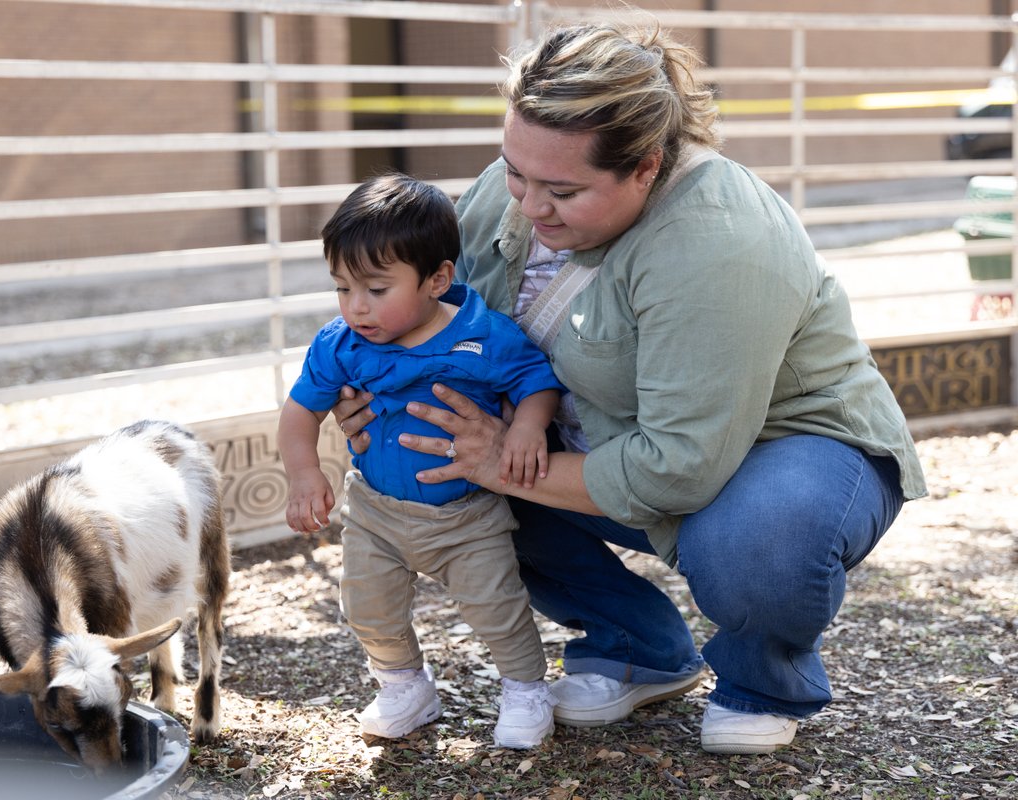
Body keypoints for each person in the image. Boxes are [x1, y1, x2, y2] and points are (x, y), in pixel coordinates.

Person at [331, 21, 928, 755]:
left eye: (562, 189)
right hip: (607, 436)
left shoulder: (719, 237)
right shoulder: (508, 192)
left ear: (645, 167)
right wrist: (373, 401)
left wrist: (501, 462)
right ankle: (636, 647)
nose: (527, 205)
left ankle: (761, 680)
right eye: (515, 171)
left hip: (790, 445)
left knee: (762, 541)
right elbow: (436, 322)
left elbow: (680, 464)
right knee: (438, 470)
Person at [278, 172, 566, 749]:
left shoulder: (483, 337)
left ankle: (526, 689)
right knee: (367, 606)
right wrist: (304, 474)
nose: (356, 307)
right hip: (376, 510)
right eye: (342, 288)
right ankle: (404, 685)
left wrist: (529, 426)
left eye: (377, 290)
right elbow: (299, 413)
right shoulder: (341, 344)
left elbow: (536, 381)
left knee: (497, 607)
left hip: (467, 514)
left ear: (438, 279)